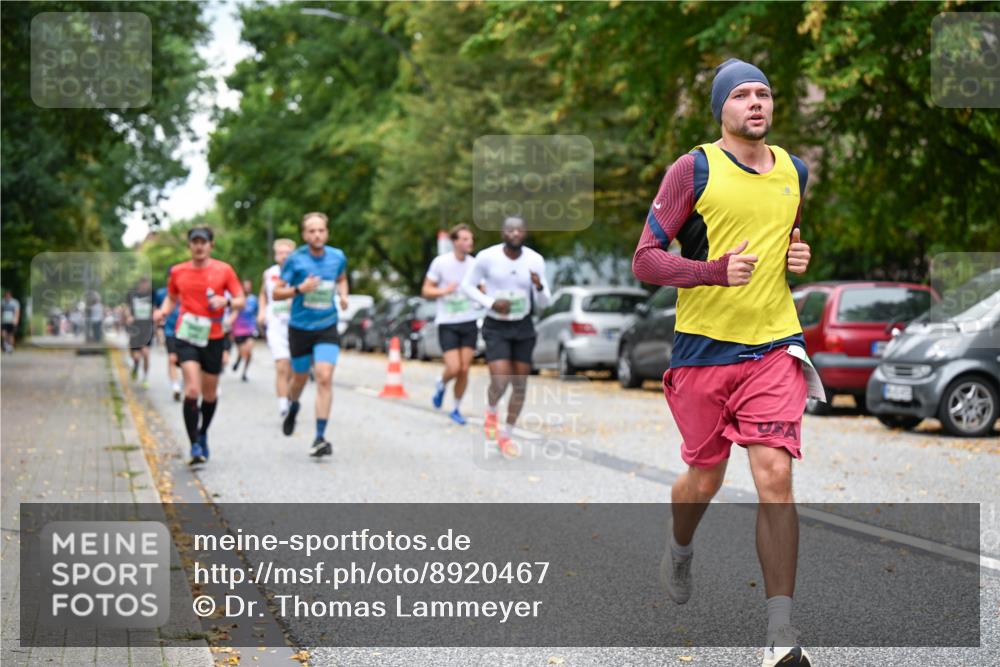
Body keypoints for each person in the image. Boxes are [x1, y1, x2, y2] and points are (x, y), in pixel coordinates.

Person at [631, 59, 814, 667]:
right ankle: (680, 547)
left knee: (775, 477)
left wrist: (796, 258)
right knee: (704, 478)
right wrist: (712, 271)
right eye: (742, 95)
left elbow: (781, 241)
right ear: (721, 109)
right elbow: (646, 259)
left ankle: (780, 631)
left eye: (764, 92)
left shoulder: (795, 171)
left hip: (774, 345)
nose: (756, 102)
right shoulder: (694, 169)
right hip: (703, 349)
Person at [154, 227, 244, 464]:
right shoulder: (178, 271)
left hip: (214, 336)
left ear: (211, 245)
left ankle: (203, 433)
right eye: (195, 242)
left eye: (203, 242)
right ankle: (194, 443)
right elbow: (172, 297)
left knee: (210, 394)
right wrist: (163, 311)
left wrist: (226, 302)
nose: (199, 246)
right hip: (187, 334)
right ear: (189, 245)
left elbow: (240, 300)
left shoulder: (224, 270)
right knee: (192, 390)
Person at [462, 216, 551, 459]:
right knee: (500, 380)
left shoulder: (535, 260)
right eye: (510, 230)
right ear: (503, 233)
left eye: (519, 230)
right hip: (496, 326)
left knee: (520, 385)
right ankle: (491, 411)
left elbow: (545, 302)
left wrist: (538, 287)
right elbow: (467, 286)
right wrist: (490, 303)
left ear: (525, 232)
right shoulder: (487, 257)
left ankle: (507, 435)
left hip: (523, 325)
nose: (515, 233)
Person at [272, 212, 348, 458]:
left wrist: (344, 295)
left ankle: (319, 437)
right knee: (300, 378)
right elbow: (276, 293)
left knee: (324, 377)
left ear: (327, 232)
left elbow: (341, 278)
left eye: (321, 230)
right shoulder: (295, 260)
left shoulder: (337, 257)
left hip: (327, 325)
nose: (317, 235)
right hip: (300, 327)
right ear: (305, 235)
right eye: (312, 231)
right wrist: (299, 289)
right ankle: (293, 405)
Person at [422, 224, 480, 425]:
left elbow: (482, 288)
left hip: (469, 321)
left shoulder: (475, 264)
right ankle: (441, 382)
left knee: (464, 369)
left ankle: (456, 407)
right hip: (447, 322)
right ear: (454, 242)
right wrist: (445, 291)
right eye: (464, 239)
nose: (469, 242)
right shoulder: (441, 263)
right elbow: (426, 290)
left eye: (470, 239)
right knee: (454, 368)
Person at [258, 238, 296, 417]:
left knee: (293, 369)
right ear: (275, 255)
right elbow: (263, 294)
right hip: (275, 323)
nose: (284, 256)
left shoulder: (300, 271)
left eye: (288, 253)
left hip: (295, 324)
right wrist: (261, 312)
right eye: (281, 253)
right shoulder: (269, 273)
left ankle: (290, 398)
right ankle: (283, 404)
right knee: (281, 365)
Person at [156, 274, 183, 400]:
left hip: (186, 332)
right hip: (170, 331)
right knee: (172, 358)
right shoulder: (161, 293)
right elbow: (157, 309)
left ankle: (185, 383)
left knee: (184, 362)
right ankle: (175, 386)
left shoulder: (186, 290)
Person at [125, 276, 155, 387]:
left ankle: (145, 378)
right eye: (143, 283)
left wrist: (155, 318)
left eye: (147, 284)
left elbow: (155, 308)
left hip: (147, 328)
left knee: (146, 353)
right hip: (135, 328)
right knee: (136, 356)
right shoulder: (132, 294)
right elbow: (127, 308)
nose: (145, 286)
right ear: (139, 284)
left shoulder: (152, 295)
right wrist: (129, 316)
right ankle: (136, 366)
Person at [229, 279, 258, 382]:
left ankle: (244, 373)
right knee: (243, 352)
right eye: (245, 286)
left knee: (248, 352)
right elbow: (231, 313)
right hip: (238, 330)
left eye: (248, 286)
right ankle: (238, 361)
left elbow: (257, 312)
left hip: (250, 329)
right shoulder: (236, 299)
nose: (247, 288)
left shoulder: (253, 299)